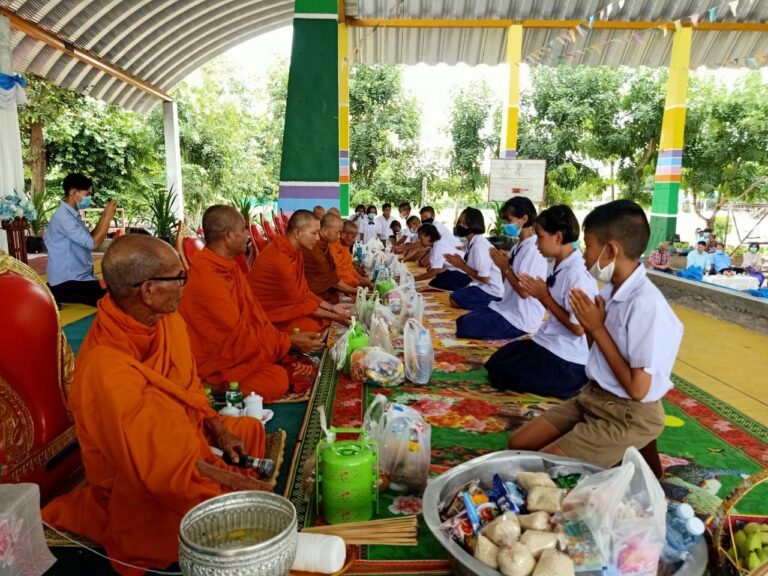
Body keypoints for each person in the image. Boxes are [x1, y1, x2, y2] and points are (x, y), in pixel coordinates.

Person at [42, 235, 271, 575]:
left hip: (184, 441)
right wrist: (229, 480)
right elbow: (157, 467)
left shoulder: (168, 322)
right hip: (141, 476)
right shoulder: (105, 368)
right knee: (186, 520)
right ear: (148, 291)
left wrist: (219, 429)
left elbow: (191, 392)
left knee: (248, 430)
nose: (184, 286)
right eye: (178, 278)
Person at [507, 200, 683, 467]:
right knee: (518, 444)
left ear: (611, 250)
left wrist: (596, 328)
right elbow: (597, 351)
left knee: (542, 468)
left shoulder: (645, 305)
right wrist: (592, 327)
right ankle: (621, 456)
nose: (584, 255)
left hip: (628, 412)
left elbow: (638, 389)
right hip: (595, 397)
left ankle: (627, 453)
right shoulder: (609, 291)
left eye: (588, 246)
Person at [179, 206, 323, 402]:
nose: (248, 234)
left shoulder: (229, 267)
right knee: (276, 381)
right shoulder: (207, 278)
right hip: (216, 362)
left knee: (281, 365)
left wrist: (282, 341)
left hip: (243, 352)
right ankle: (212, 387)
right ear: (228, 236)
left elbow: (256, 317)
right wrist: (287, 341)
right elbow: (237, 336)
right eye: (244, 229)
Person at [485, 205, 598, 399]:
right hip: (549, 340)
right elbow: (553, 306)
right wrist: (542, 296)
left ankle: (567, 385)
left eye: (540, 236)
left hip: (567, 358)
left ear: (558, 237)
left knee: (503, 375)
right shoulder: (556, 265)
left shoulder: (577, 275)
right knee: (498, 361)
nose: (536, 242)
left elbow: (579, 329)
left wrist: (544, 296)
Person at [455, 197, 547, 340]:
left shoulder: (533, 249)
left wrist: (505, 267)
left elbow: (524, 293)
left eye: (509, 220)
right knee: (462, 321)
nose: (505, 225)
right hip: (508, 307)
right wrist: (502, 266)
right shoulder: (518, 246)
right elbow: (507, 283)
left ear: (524, 219)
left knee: (467, 325)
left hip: (521, 318)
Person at [249, 209, 351, 333]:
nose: (318, 238)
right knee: (316, 328)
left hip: (288, 309)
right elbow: (298, 303)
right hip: (267, 318)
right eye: (314, 233)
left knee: (323, 322)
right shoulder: (280, 259)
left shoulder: (296, 251)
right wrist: (334, 316)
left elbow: (304, 291)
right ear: (297, 233)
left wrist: (331, 308)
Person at [45, 173, 117, 307]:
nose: (89, 198)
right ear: (73, 192)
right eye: (87, 194)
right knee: (114, 299)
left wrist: (104, 216)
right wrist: (107, 218)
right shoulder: (63, 217)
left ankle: (56, 292)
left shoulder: (72, 214)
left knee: (118, 289)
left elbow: (90, 238)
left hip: (80, 278)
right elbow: (94, 244)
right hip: (67, 281)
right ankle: (56, 293)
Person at [446, 208, 504, 310]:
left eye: (464, 223)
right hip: (483, 286)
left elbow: (485, 279)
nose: (460, 225)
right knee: (453, 294)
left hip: (493, 291)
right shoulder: (473, 242)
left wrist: (461, 265)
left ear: (474, 225)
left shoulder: (480, 245)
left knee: (454, 298)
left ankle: (493, 306)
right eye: (459, 222)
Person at [303, 213, 357, 303]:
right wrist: (356, 291)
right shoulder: (313, 249)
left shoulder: (326, 245)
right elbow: (333, 282)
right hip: (315, 299)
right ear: (324, 230)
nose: (339, 236)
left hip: (328, 294)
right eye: (337, 232)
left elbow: (333, 275)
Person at [414, 223, 469, 290]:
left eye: (421, 239)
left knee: (435, 284)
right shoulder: (437, 244)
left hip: (465, 272)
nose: (420, 241)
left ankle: (463, 285)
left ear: (429, 237)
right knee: (436, 280)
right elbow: (435, 269)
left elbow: (433, 272)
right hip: (458, 269)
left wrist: (414, 279)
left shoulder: (438, 246)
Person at [328, 219, 373, 289]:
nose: (354, 241)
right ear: (343, 235)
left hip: (350, 282)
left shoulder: (345, 245)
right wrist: (358, 282)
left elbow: (350, 268)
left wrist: (361, 278)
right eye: (353, 237)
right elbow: (339, 274)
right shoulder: (332, 246)